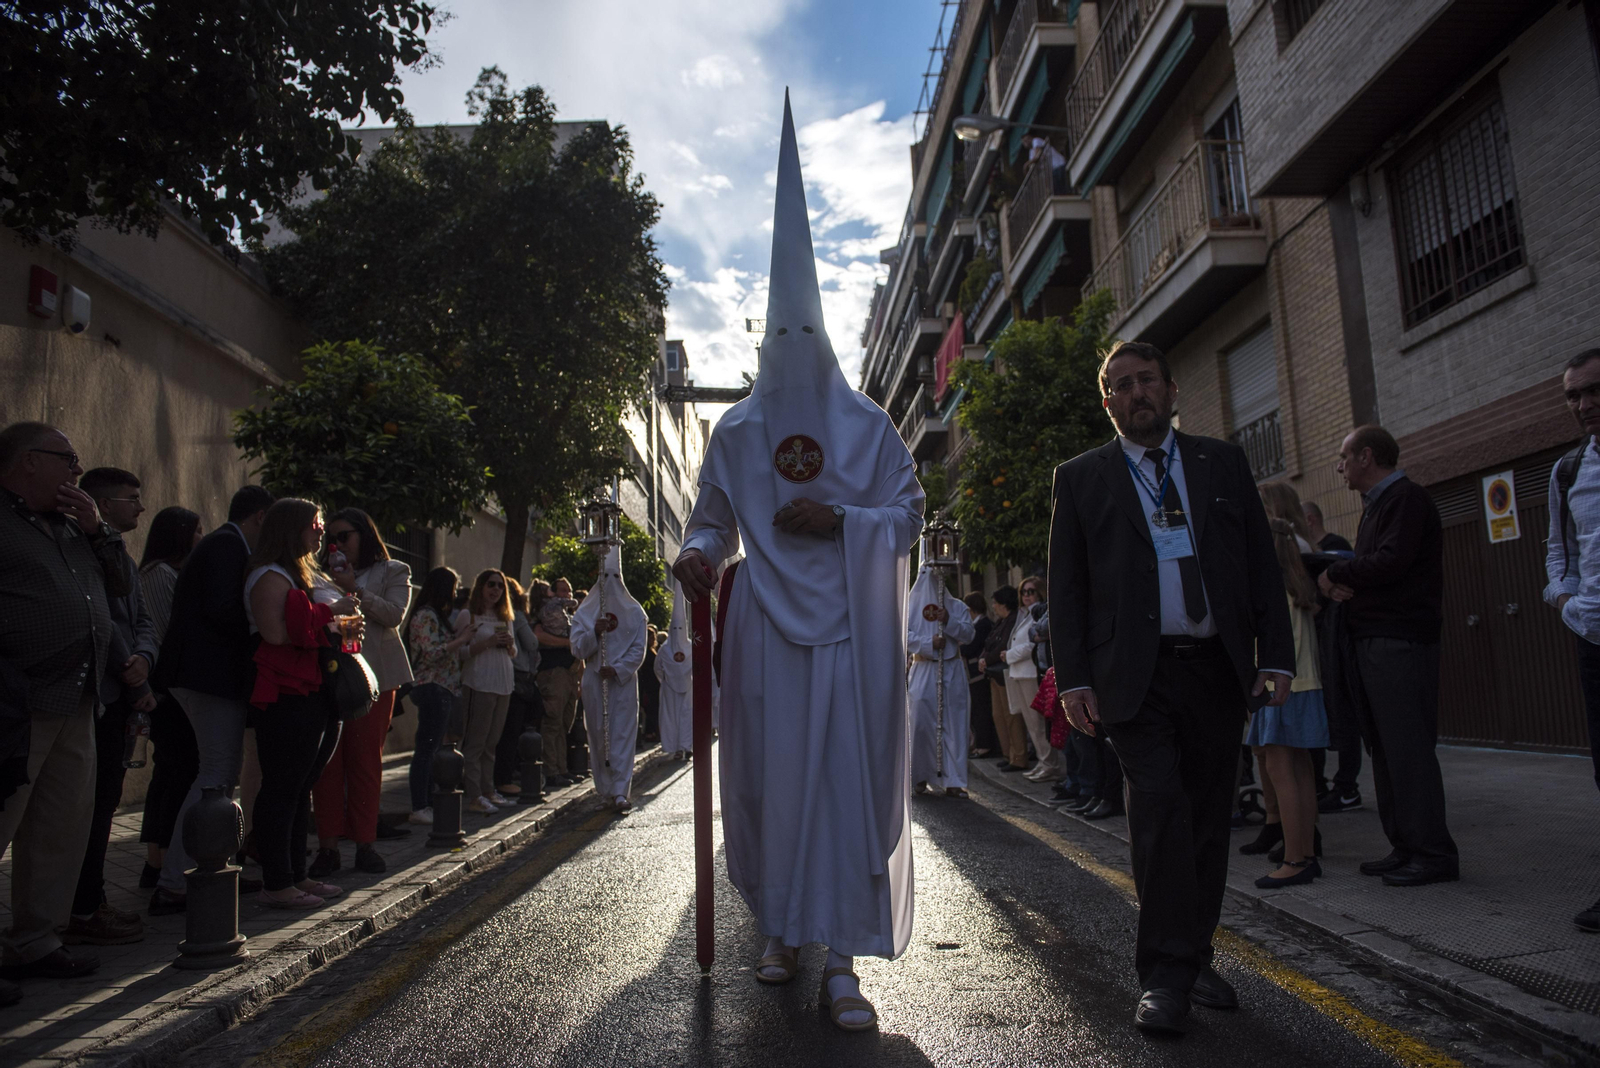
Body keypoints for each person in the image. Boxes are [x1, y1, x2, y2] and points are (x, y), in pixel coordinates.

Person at [672, 97, 924, 1032]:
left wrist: (843, 520)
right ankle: (778, 930)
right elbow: (709, 525)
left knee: (844, 791)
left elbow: (906, 516)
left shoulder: (868, 427)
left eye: (801, 336)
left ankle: (847, 961)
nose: (788, 351)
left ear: (821, 335)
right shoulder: (734, 431)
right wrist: (699, 559)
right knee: (772, 788)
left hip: (851, 641)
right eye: (774, 336)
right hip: (767, 642)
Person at [1049, 340, 1294, 1034]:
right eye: (1121, 386)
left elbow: (1258, 567)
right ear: (1108, 404)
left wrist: (1274, 655)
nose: (1136, 394)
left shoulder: (1222, 462)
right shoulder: (1082, 477)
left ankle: (1195, 953)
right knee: (1159, 813)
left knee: (1209, 818)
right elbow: (1066, 589)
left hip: (1216, 669)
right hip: (1136, 678)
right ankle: (1163, 975)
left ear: (1172, 389)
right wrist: (1074, 680)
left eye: (1146, 380)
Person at [0, 422, 126, 992]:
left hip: (79, 696)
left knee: (59, 827)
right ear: (27, 461)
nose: (77, 472)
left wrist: (99, 530)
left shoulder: (75, 527)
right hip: (19, 702)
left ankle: (35, 939)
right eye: (67, 459)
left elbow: (121, 587)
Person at [1320, 425, 1458, 888]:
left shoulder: (1407, 500)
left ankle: (1432, 853)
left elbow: (1392, 561)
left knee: (1408, 749)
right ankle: (1405, 845)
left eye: (1344, 456)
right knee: (1384, 749)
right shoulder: (1379, 505)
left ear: (1366, 456)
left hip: (1400, 643)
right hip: (1376, 642)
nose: (1339, 466)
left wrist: (1335, 571)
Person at [149, 483, 273, 915]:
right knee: (216, 775)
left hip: (207, 677)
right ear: (260, 517)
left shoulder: (225, 544)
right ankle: (180, 879)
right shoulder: (225, 546)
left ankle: (199, 869)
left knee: (217, 772)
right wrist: (265, 627)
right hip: (206, 678)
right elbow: (225, 611)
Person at [65, 467, 161, 947]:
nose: (140, 507)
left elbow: (140, 615)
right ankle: (80, 907)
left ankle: (89, 902)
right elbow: (97, 613)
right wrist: (130, 664)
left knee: (104, 806)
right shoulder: (78, 548)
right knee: (89, 809)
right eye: (131, 498)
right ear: (102, 505)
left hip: (124, 687)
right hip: (98, 693)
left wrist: (143, 658)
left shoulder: (118, 550)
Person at [244, 499, 351, 909]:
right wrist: (330, 612)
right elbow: (275, 633)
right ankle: (277, 881)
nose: (321, 531)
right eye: (315, 524)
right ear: (292, 529)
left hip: (311, 688)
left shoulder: (298, 572)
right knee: (282, 788)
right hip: (284, 692)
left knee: (300, 787)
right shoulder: (269, 575)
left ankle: (296, 874)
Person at [309, 509, 412, 877]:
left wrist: (356, 589)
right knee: (327, 765)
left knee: (365, 762)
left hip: (375, 680)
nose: (337, 545)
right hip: (331, 676)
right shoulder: (319, 573)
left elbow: (394, 614)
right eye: (331, 538)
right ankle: (328, 847)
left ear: (364, 535)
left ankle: (365, 844)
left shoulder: (393, 571)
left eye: (345, 536)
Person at [1244, 504, 1331, 890]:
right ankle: (1306, 851)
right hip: (1307, 685)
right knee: (1302, 772)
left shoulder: (1271, 590)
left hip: (1281, 688)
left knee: (1281, 774)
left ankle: (1295, 859)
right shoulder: (1300, 586)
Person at [1543, 347, 1600, 932]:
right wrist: (1567, 602)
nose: (1584, 404)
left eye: (1594, 390)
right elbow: (1559, 553)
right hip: (1595, 641)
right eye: (1574, 395)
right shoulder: (1568, 470)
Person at [136, 506, 203, 886]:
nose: (200, 540)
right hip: (168, 692)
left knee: (171, 773)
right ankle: (158, 862)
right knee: (176, 773)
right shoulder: (159, 576)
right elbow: (168, 634)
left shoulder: (166, 574)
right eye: (196, 532)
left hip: (170, 689)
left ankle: (156, 861)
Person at [570, 542, 647, 810]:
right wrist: (594, 632)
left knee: (622, 735)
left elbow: (639, 649)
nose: (611, 583)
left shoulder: (636, 612)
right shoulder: (586, 612)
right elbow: (577, 647)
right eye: (606, 578)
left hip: (622, 683)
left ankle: (620, 791)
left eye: (615, 577)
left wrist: (618, 669)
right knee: (599, 735)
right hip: (594, 680)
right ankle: (604, 789)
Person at [1301, 500, 1363, 814]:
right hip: (1321, 643)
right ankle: (1331, 785)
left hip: (1335, 644)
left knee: (1343, 713)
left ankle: (1346, 787)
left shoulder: (1332, 548)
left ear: (1309, 519)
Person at [403, 567, 472, 824]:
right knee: (426, 748)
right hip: (431, 686)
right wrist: (461, 638)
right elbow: (432, 653)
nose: (455, 593)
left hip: (442, 687)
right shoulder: (425, 616)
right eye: (453, 587)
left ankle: (428, 803)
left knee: (432, 749)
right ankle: (420, 805)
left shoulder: (436, 616)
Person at [908, 562, 976, 796]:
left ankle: (954, 780)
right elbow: (900, 636)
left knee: (954, 723)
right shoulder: (908, 606)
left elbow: (969, 634)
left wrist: (949, 621)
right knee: (920, 723)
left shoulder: (957, 607)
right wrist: (927, 644)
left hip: (952, 669)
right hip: (923, 668)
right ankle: (919, 775)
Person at [456, 569, 517, 814]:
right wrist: (487, 643)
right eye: (491, 585)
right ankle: (474, 795)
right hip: (478, 683)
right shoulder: (468, 615)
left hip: (503, 683)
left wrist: (510, 645)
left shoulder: (505, 617)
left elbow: (514, 654)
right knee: (476, 742)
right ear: (481, 586)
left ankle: (488, 790)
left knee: (492, 742)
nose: (496, 590)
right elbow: (459, 652)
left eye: (500, 586)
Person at [1010, 577, 1063, 783]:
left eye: (1031, 591)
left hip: (1032, 671)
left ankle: (1051, 764)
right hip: (1020, 673)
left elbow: (1033, 641)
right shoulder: (1026, 614)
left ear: (1040, 592)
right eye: (1023, 592)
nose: (1026, 596)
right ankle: (1043, 761)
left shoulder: (1040, 611)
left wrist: (1010, 654)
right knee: (1032, 724)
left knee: (1039, 723)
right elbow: (1031, 636)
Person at [494, 578, 542, 799]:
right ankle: (506, 777)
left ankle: (509, 775)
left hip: (512, 678)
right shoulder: (517, 617)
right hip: (519, 679)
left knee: (511, 730)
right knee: (514, 730)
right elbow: (531, 643)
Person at [535, 576, 582, 789]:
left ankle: (562, 769)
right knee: (553, 723)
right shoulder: (546, 612)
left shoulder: (569, 616)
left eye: (569, 591)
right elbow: (540, 637)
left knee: (564, 724)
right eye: (562, 590)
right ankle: (551, 771)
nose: (567, 595)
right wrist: (568, 643)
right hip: (554, 672)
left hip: (570, 674)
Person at [979, 587, 1028, 772]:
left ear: (1003, 603)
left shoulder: (1013, 620)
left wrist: (987, 659)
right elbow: (989, 642)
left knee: (1012, 716)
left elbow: (1003, 644)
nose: (993, 606)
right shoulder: (1001, 621)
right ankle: (1008, 753)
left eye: (995, 603)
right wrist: (984, 657)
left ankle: (1019, 756)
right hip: (995, 673)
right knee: (999, 716)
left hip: (1005, 672)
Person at [656, 572, 693, 759]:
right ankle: (674, 748)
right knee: (671, 719)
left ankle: (686, 746)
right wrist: (666, 681)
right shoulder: (664, 649)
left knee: (686, 718)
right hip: (669, 689)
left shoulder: (690, 647)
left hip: (687, 688)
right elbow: (658, 668)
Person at [960, 592, 998, 758]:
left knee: (982, 710)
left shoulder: (983, 625)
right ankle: (980, 743)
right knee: (976, 710)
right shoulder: (978, 624)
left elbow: (970, 648)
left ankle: (985, 745)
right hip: (972, 674)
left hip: (978, 674)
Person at [640, 625, 661, 744]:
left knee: (653, 709)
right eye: (651, 637)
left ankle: (652, 732)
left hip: (654, 685)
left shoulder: (652, 651)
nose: (653, 639)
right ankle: (649, 733)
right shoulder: (645, 653)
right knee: (650, 710)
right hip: (648, 685)